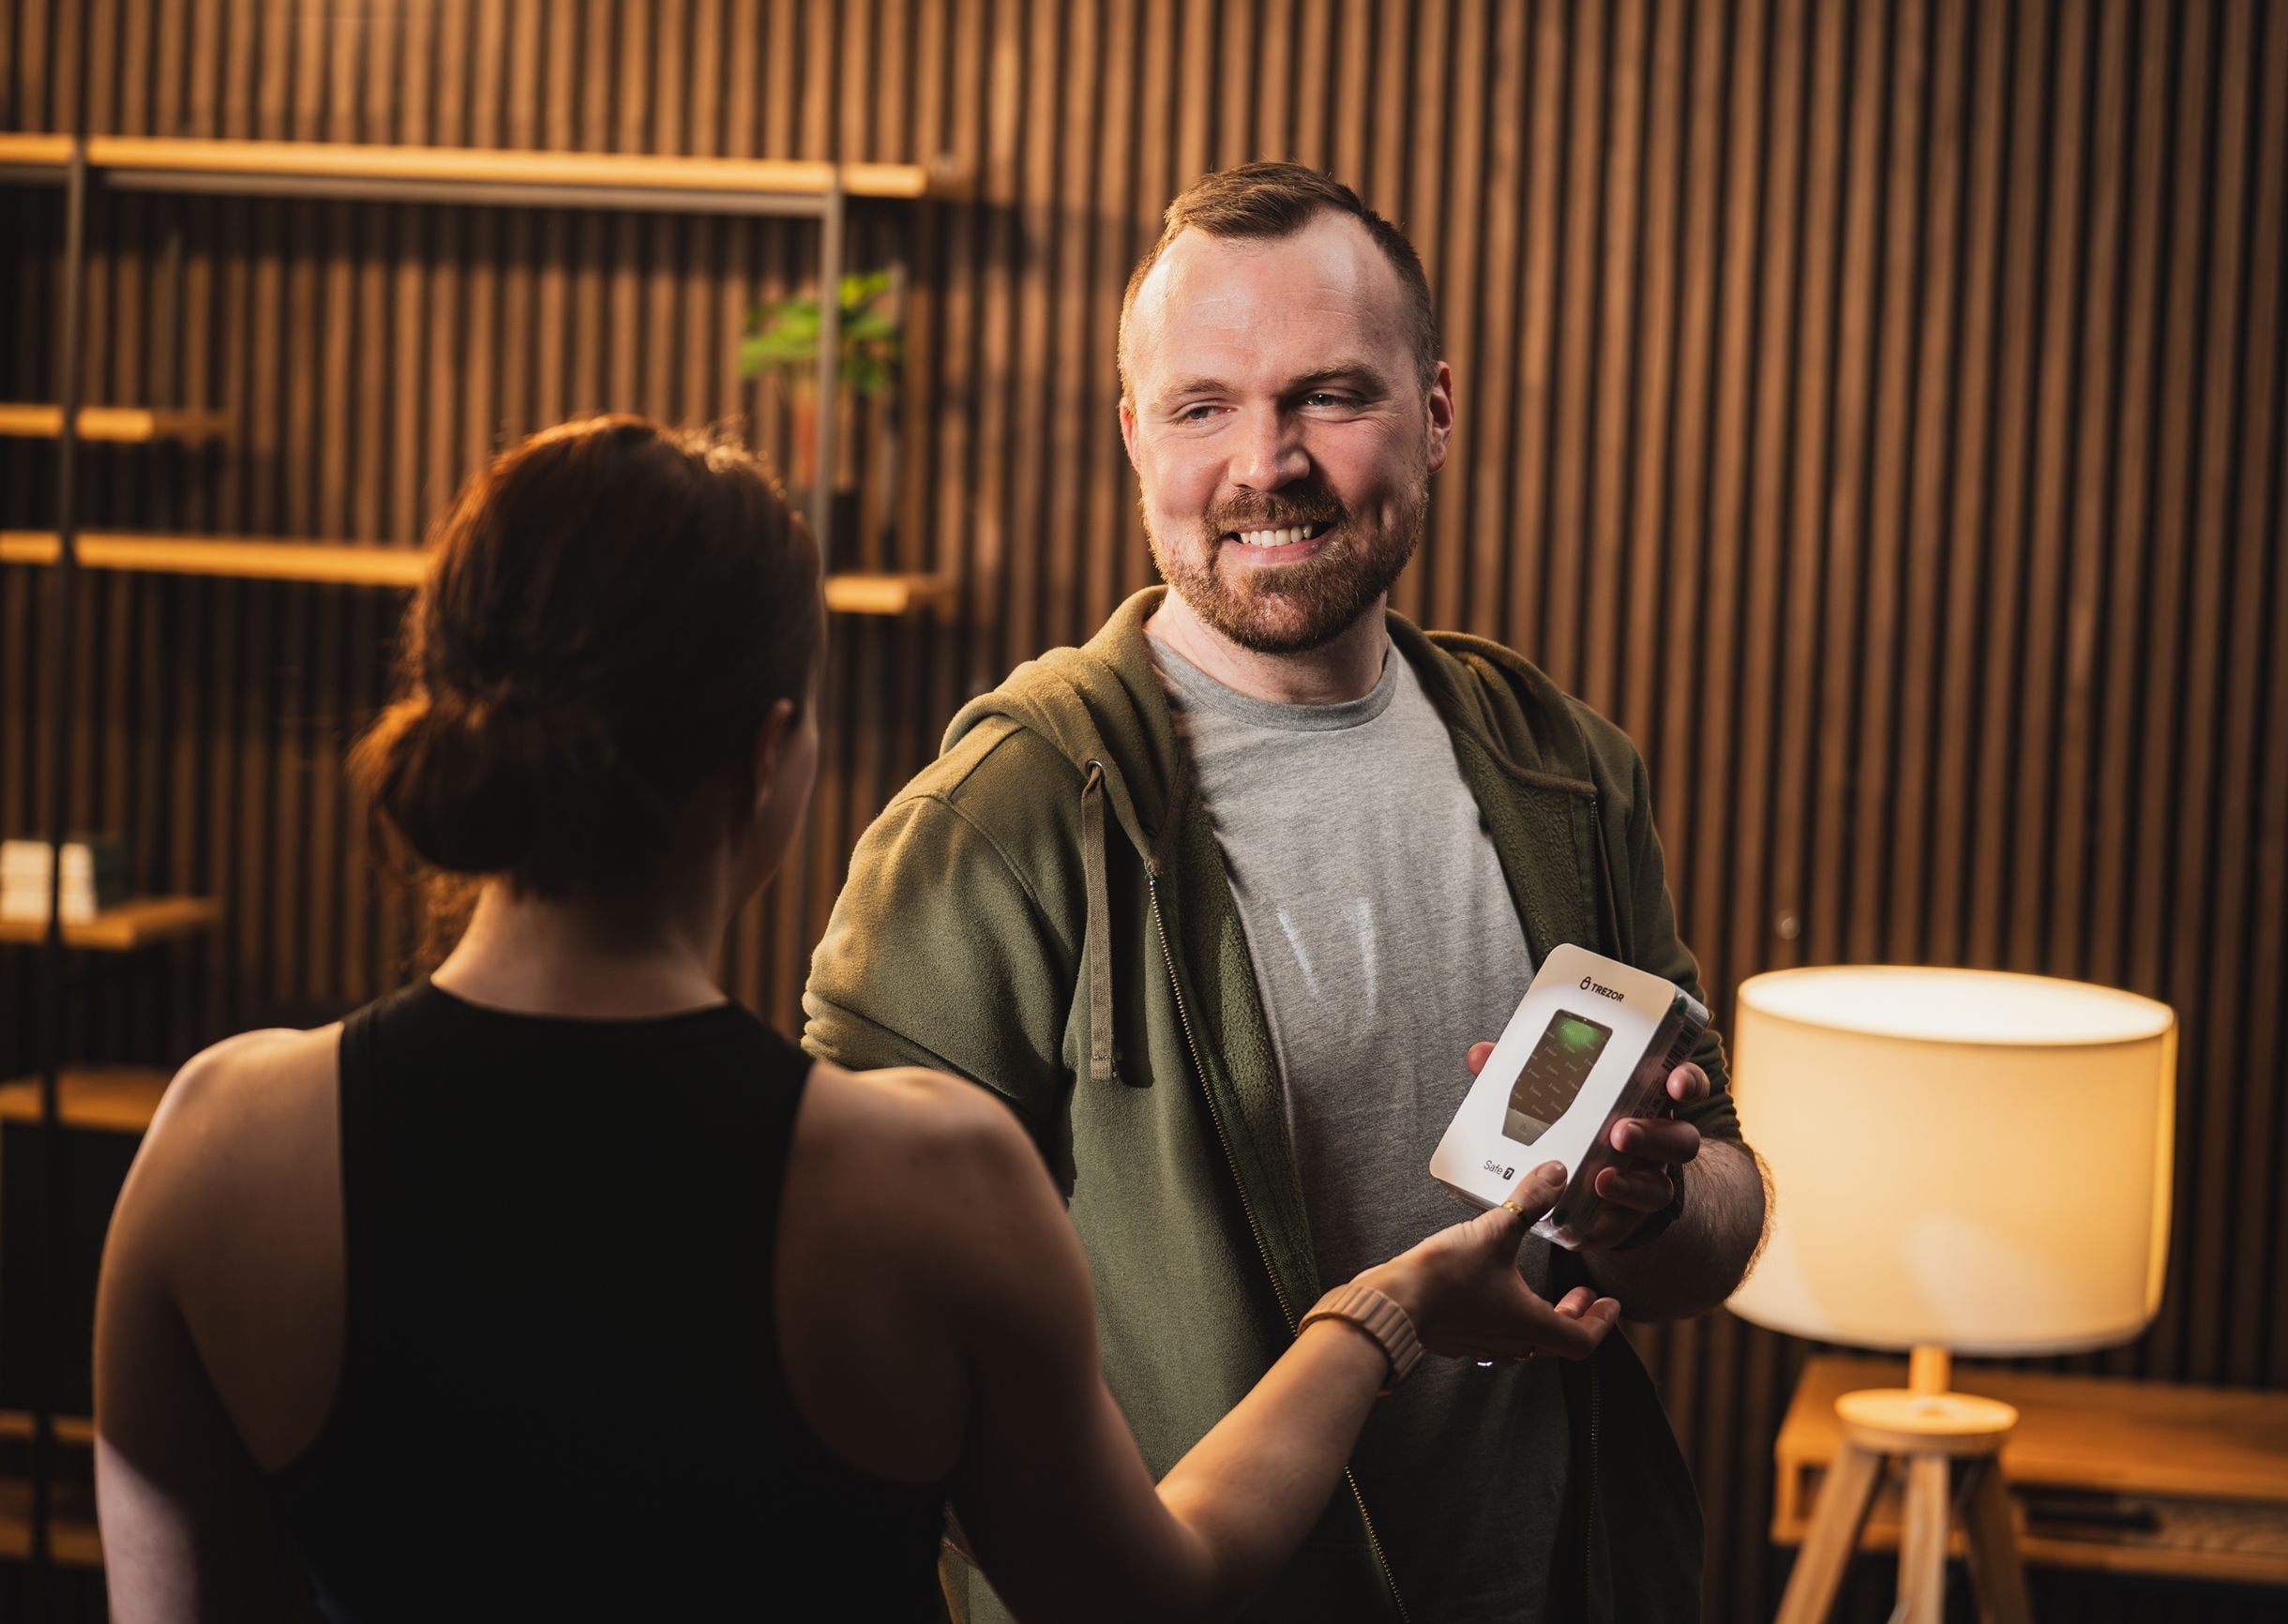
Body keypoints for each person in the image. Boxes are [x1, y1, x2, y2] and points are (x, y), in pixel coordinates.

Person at [91, 415, 1619, 1624]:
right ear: (770, 758)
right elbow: (1154, 1586)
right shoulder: (920, 1186)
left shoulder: (221, 1146)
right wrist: (1389, 1309)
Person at [805, 164, 1769, 1623]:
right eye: (1204, 408)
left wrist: (1650, 1206)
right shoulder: (1003, 817)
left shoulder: (1560, 766)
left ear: (1436, 411)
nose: (1267, 462)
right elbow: (836, 1317)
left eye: (1329, 396)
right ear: (1135, 436)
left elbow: (1724, 1216)